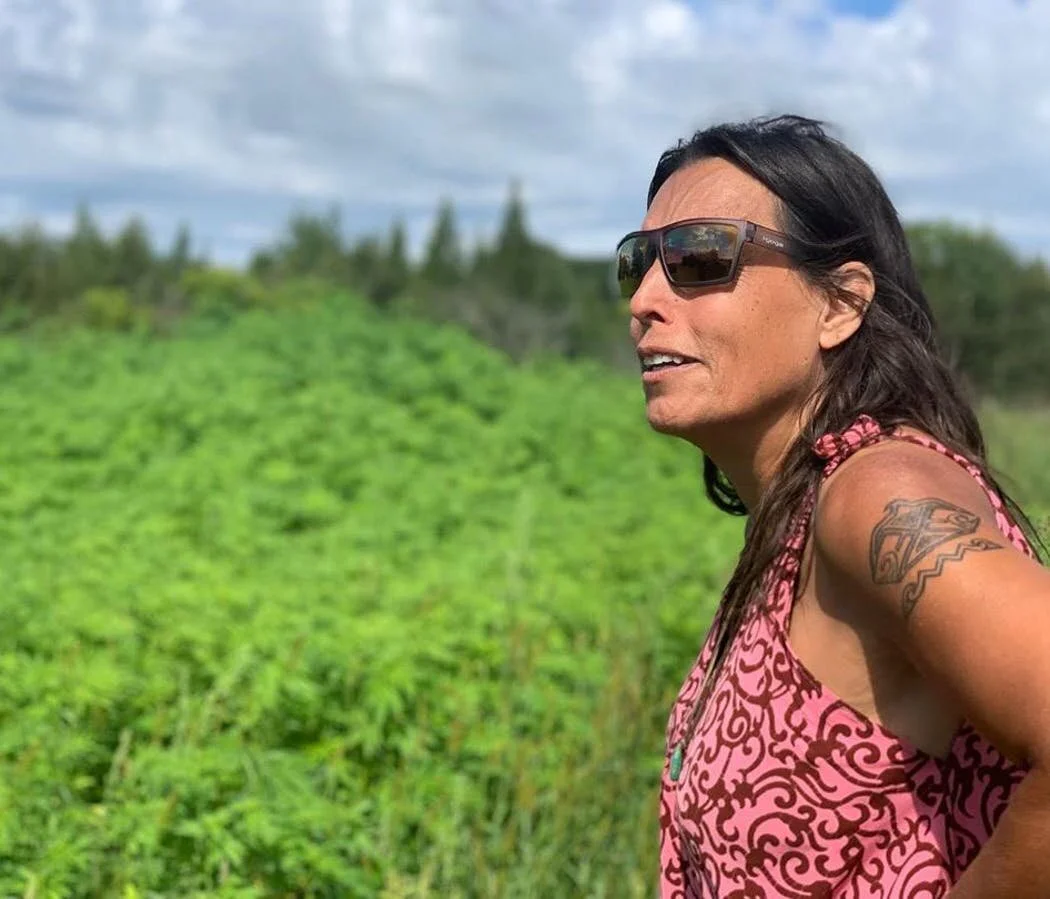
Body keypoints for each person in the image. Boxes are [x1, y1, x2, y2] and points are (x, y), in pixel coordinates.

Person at [614, 114, 1050, 897]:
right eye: (636, 264)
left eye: (700, 257)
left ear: (841, 303)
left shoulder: (880, 494)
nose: (644, 300)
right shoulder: (795, 519)